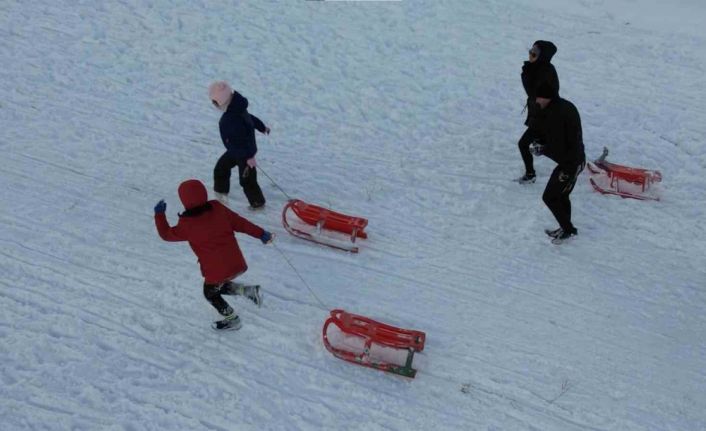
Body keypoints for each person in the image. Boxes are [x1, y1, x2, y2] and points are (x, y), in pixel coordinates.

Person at [154, 179, 274, 329]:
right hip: (237, 263)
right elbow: (242, 223)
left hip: (217, 271)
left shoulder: (187, 225)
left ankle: (232, 319)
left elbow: (166, 234)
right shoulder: (218, 208)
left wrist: (159, 215)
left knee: (210, 293)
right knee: (218, 286)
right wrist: (261, 234)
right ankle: (249, 291)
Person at [529, 82, 585, 243]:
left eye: (537, 97)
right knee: (562, 195)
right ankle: (566, 228)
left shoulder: (555, 115)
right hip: (576, 159)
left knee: (550, 197)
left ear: (546, 98)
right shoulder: (565, 106)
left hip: (570, 164)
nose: (536, 101)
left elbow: (559, 146)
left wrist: (542, 150)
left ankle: (568, 230)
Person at [208, 81, 271, 209]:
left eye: (214, 102)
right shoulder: (238, 108)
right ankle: (221, 193)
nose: (214, 105)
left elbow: (244, 132)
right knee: (221, 168)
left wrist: (249, 157)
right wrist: (262, 127)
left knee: (247, 180)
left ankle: (257, 203)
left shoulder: (230, 118)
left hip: (245, 154)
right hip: (235, 150)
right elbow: (251, 119)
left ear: (221, 101)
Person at [517, 40, 560, 184]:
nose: (531, 54)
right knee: (543, 145)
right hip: (539, 115)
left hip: (545, 117)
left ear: (543, 56)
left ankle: (530, 175)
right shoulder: (538, 68)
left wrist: (526, 74)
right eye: (531, 50)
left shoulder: (545, 72)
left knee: (524, 144)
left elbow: (534, 93)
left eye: (535, 52)